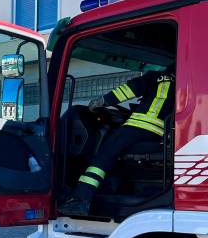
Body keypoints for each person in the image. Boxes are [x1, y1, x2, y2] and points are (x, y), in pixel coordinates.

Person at [58, 66, 176, 217]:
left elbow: (128, 90)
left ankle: (80, 200)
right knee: (119, 156)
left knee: (103, 158)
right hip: (160, 133)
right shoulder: (181, 84)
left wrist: (102, 101)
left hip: (138, 126)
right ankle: (115, 188)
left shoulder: (155, 76)